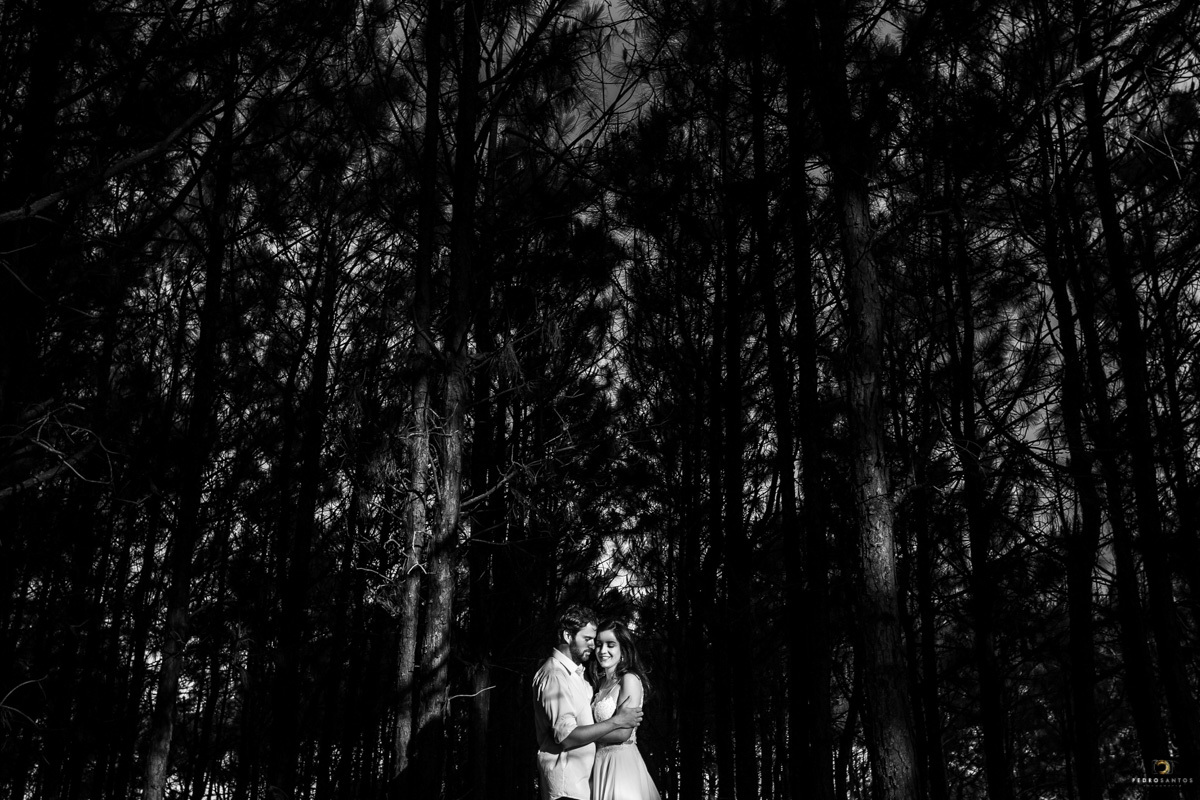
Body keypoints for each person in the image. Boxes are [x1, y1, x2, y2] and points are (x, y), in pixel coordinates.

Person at [534, 605, 644, 800]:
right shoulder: (555, 675)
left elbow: (622, 732)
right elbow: (566, 735)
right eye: (589, 639)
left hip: (602, 775)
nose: (595, 647)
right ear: (568, 636)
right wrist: (616, 721)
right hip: (567, 787)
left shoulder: (581, 677)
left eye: (608, 644)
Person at [587, 619, 661, 800]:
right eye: (599, 644)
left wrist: (582, 735)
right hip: (599, 763)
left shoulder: (629, 679)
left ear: (623, 649)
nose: (602, 650)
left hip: (620, 764)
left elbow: (623, 733)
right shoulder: (600, 683)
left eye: (610, 645)